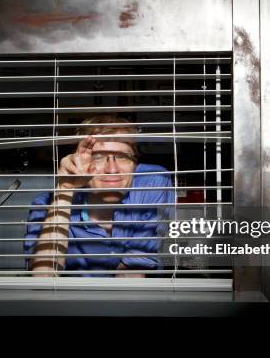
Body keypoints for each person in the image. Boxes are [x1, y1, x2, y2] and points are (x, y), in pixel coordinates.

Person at [24, 115, 174, 277]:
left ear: (135, 163)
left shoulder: (151, 183)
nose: (112, 169)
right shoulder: (47, 203)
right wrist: (65, 188)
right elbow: (43, 277)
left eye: (122, 157)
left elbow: (132, 273)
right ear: (78, 161)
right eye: (98, 157)